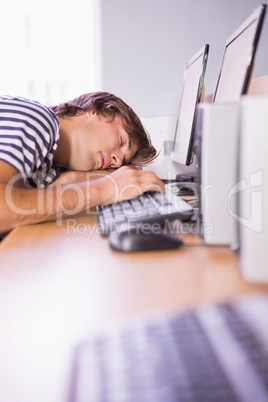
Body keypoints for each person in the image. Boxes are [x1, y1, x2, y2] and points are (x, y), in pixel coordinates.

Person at [0, 92, 164, 235]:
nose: (118, 161)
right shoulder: (40, 119)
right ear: (94, 111)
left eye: (123, 161)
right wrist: (103, 188)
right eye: (121, 141)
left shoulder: (50, 166)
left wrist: (70, 180)